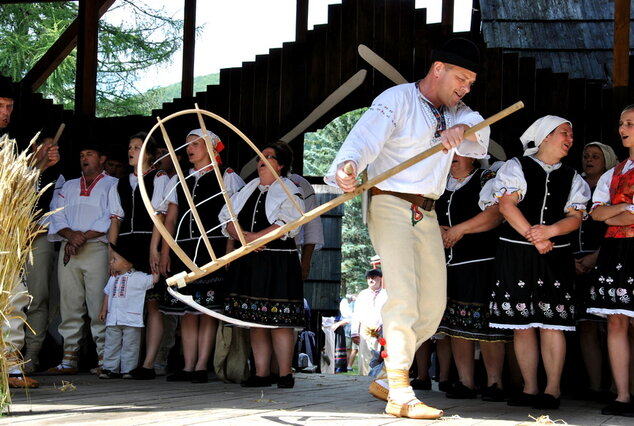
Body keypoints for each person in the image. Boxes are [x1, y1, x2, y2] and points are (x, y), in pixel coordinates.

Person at [325, 37, 490, 419]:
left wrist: (462, 130)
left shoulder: (457, 111)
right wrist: (347, 168)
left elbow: (482, 135)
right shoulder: (396, 99)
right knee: (402, 290)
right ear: (438, 69)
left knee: (432, 304)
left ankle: (386, 376)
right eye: (460, 79)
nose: (464, 88)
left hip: (426, 213)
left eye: (470, 83)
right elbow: (362, 141)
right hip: (390, 202)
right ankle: (400, 387)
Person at [482, 116, 590, 409]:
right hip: (517, 253)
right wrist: (536, 238)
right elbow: (506, 205)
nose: (569, 139)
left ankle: (552, 389)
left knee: (552, 322)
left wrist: (550, 232)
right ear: (544, 137)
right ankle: (530, 388)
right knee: (523, 324)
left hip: (555, 253)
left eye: (571, 134)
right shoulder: (516, 167)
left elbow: (575, 217)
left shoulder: (573, 177)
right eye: (564, 133)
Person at [159, 129, 244, 383]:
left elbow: (232, 216)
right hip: (184, 249)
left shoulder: (226, 176)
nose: (189, 148)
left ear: (211, 147)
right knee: (187, 311)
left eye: (195, 143)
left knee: (207, 309)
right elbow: (171, 219)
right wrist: (166, 252)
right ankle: (187, 366)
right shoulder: (180, 179)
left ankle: (200, 366)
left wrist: (229, 253)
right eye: (187, 144)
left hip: (213, 248)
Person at [219, 141, 305, 389]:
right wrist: (244, 239)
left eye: (268, 157)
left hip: (278, 261)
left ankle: (285, 373)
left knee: (279, 321)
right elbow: (227, 219)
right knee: (256, 319)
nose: (261, 160)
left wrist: (255, 239)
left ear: (280, 165)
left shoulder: (290, 190)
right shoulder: (248, 189)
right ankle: (261, 373)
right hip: (251, 262)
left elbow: (288, 224)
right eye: (260, 156)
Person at [436, 153, 510, 401]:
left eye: (459, 152)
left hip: (482, 262)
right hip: (448, 263)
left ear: (474, 156)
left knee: (487, 325)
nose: (453, 156)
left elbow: (497, 213)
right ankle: (466, 382)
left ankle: (495, 383)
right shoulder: (438, 181)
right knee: (457, 324)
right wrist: (435, 228)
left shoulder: (485, 178)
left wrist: (461, 229)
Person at [46, 141, 123, 374]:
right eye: (81, 154)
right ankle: (69, 359)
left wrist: (83, 236)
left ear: (101, 158)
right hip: (70, 250)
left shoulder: (112, 184)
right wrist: (71, 235)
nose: (84, 158)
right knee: (69, 304)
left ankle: (104, 360)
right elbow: (55, 215)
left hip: (97, 249)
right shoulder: (67, 186)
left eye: (89, 154)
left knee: (98, 305)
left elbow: (113, 216)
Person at [111, 132, 170, 380]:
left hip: (149, 242)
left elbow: (160, 215)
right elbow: (116, 219)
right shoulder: (121, 182)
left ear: (148, 153)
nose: (131, 151)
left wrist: (154, 248)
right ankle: (123, 364)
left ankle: (148, 363)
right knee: (125, 304)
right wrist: (111, 253)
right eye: (130, 147)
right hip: (125, 246)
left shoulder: (159, 177)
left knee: (153, 303)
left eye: (137, 147)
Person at [587, 105, 634, 417]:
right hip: (616, 251)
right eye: (621, 123)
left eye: (630, 123)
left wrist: (616, 212)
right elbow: (597, 214)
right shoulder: (611, 174)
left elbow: (611, 213)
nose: (622, 128)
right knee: (616, 319)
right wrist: (626, 210)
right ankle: (622, 394)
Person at [574, 142, 617, 401]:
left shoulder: (613, 185)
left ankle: (618, 386)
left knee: (614, 325)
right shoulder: (575, 184)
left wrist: (595, 256)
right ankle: (595, 386)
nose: (589, 160)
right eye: (586, 155)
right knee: (586, 326)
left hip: (606, 258)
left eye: (595, 157)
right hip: (575, 261)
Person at [23, 134, 65, 374]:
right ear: (34, 147)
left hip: (39, 239)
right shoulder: (17, 170)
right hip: (11, 240)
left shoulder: (57, 176)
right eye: (46, 147)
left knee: (37, 298)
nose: (50, 151)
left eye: (54, 147)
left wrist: (37, 227)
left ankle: (31, 356)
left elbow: (57, 212)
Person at [98, 243, 159, 379]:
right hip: (113, 318)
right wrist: (104, 310)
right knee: (111, 344)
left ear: (128, 264)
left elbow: (153, 280)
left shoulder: (139, 277)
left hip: (132, 319)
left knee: (130, 346)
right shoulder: (113, 278)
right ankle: (110, 368)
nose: (111, 262)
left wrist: (156, 266)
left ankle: (129, 369)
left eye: (115, 260)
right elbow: (107, 293)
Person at [351, 269, 387, 376]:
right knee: (364, 356)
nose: (371, 280)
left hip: (381, 330)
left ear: (380, 278)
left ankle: (378, 378)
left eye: (374, 277)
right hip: (365, 330)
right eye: (369, 278)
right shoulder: (362, 294)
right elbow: (356, 314)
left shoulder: (386, 294)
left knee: (380, 355)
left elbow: (388, 312)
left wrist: (382, 323)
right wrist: (354, 333)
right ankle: (363, 379)